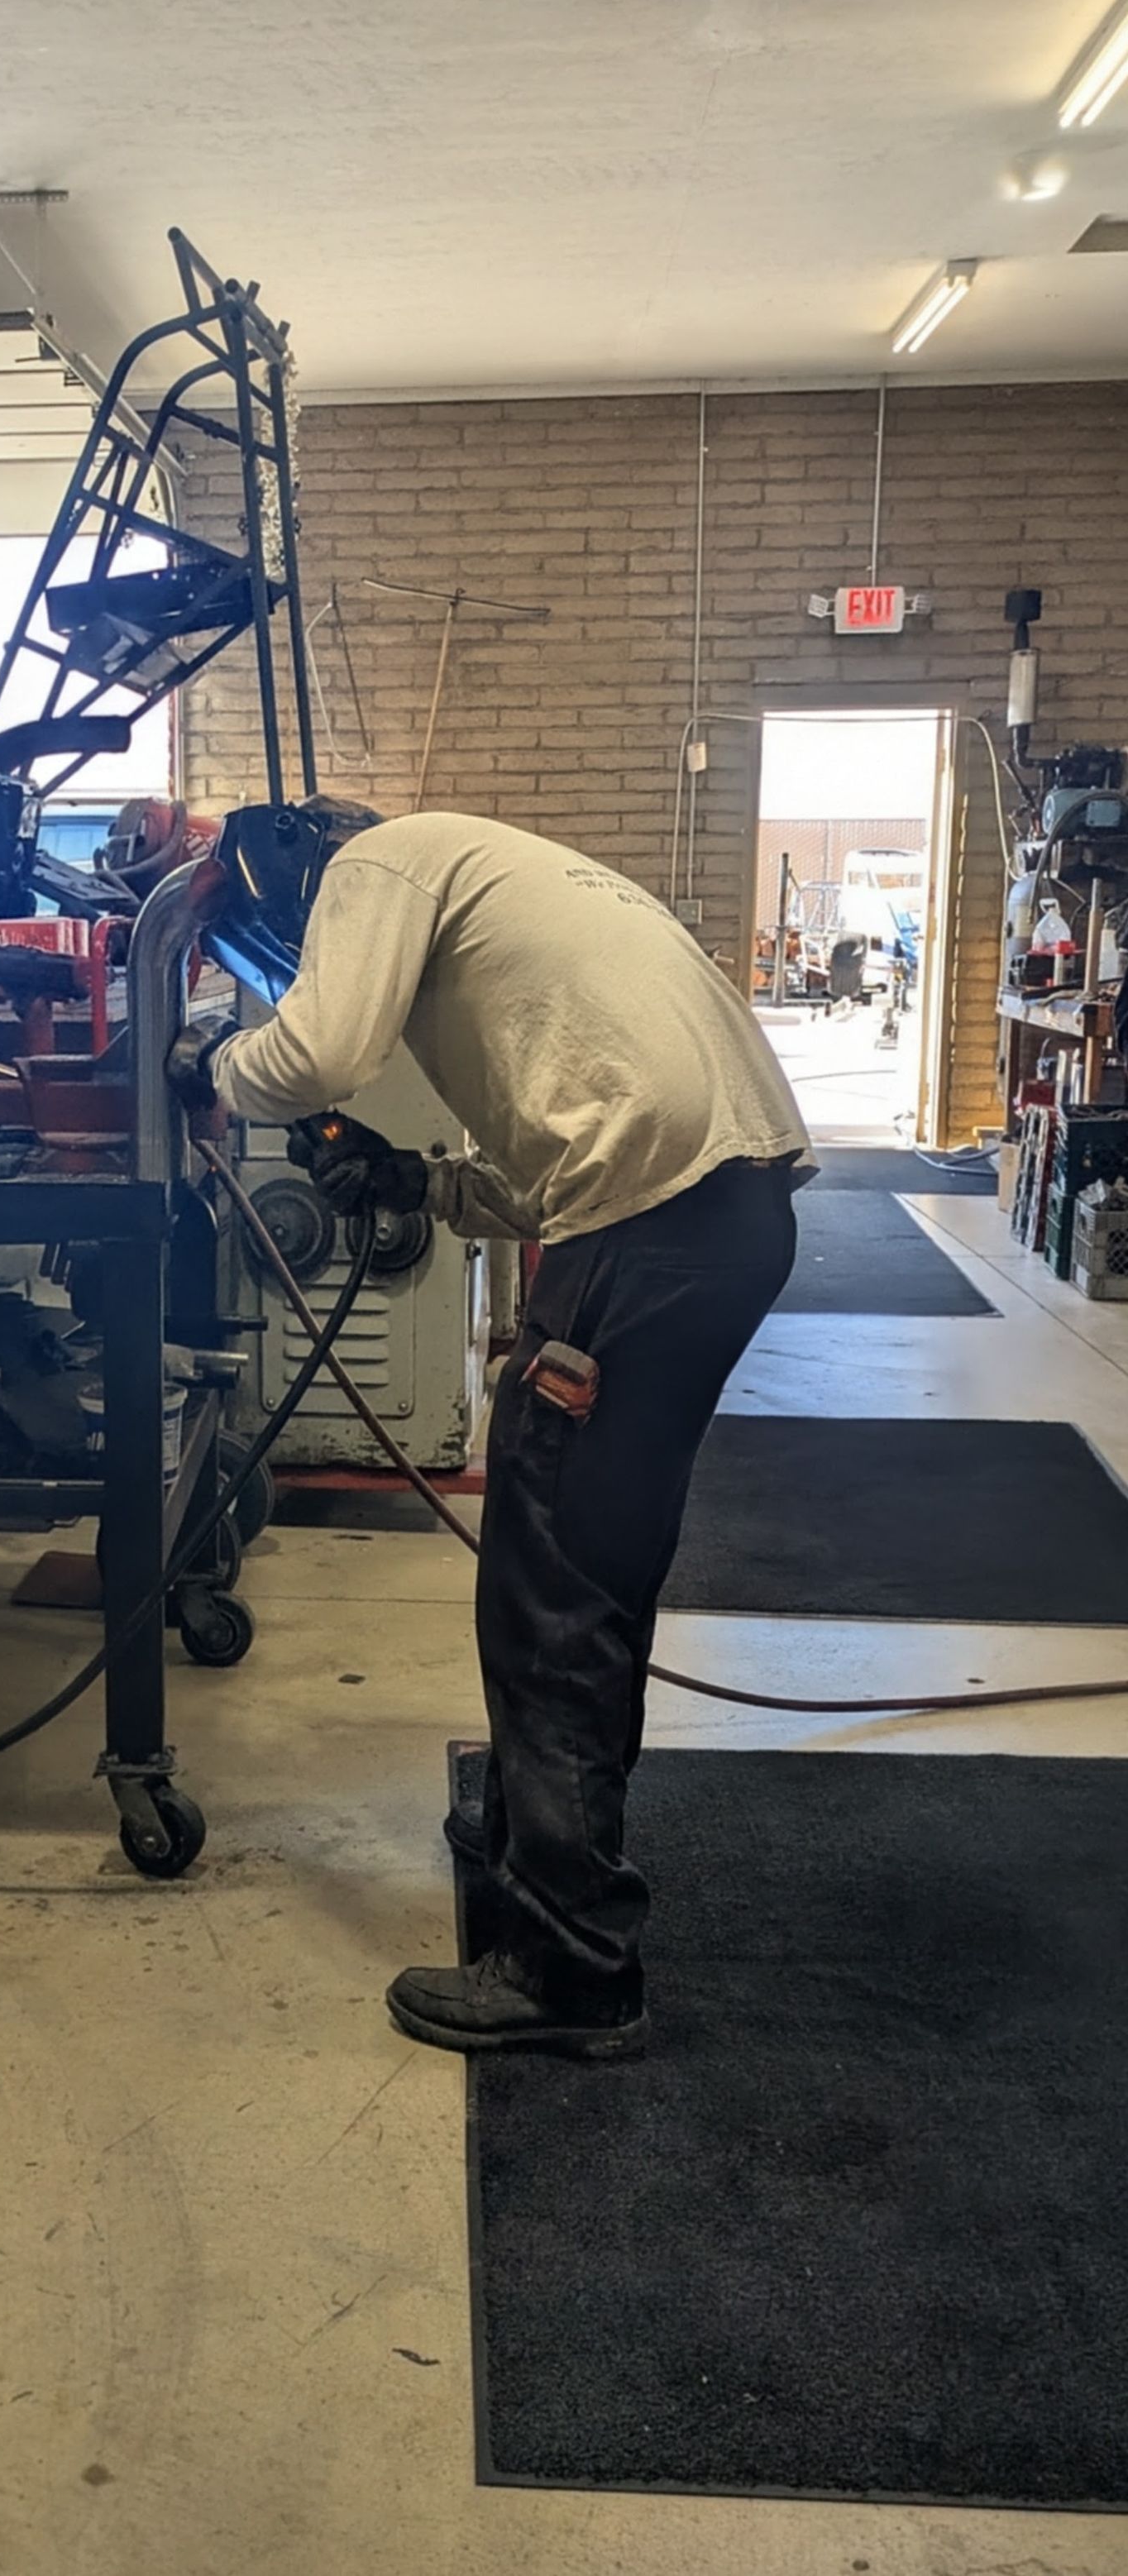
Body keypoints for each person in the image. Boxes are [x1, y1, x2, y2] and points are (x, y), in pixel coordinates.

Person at [175, 797, 811, 2061]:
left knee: (549, 1590)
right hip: (719, 1224)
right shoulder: (503, 875)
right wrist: (424, 1183)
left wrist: (206, 1066)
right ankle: (539, 1843)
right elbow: (551, 1148)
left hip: (645, 1231)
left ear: (290, 893)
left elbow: (306, 1058)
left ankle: (573, 1961)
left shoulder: (377, 864)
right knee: (593, 1564)